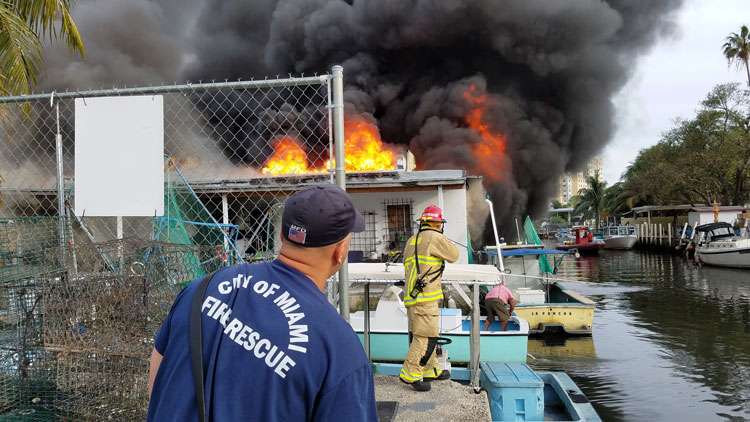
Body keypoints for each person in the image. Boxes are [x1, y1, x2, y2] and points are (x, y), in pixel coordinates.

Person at [147, 184, 378, 421]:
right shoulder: (339, 348)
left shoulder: (201, 288)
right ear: (340, 251)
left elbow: (158, 380)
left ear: (282, 236)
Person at [399, 205, 459, 392]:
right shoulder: (434, 237)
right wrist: (443, 238)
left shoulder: (412, 240)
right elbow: (454, 255)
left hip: (413, 297)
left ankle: (431, 369)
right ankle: (411, 373)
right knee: (425, 337)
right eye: (440, 224)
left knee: (429, 334)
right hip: (425, 298)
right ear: (438, 223)